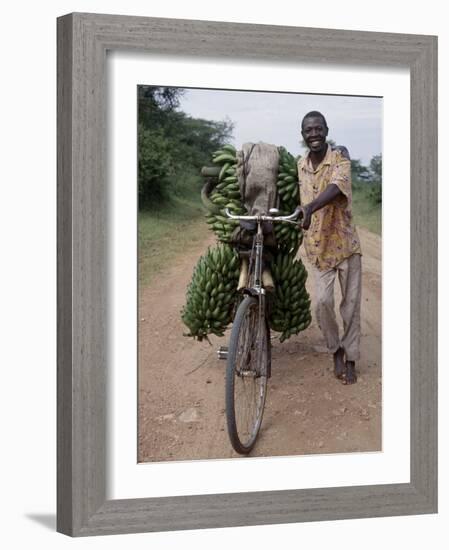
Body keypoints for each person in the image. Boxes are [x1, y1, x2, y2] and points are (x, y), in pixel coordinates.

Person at [297, 111, 362, 384]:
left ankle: (350, 358)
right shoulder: (300, 166)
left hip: (345, 245)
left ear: (326, 130)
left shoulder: (340, 158)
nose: (314, 134)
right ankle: (334, 347)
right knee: (323, 303)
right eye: (308, 130)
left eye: (318, 129)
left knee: (350, 306)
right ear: (303, 135)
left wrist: (311, 207)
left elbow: (337, 187)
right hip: (318, 247)